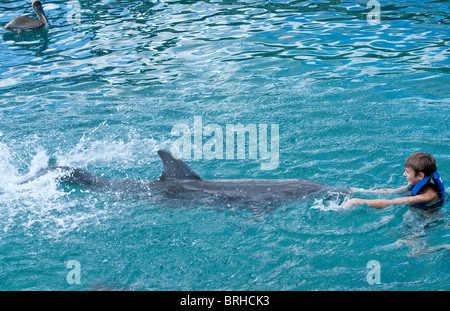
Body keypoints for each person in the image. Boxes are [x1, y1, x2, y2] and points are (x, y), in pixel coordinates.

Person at [344, 152, 446, 210]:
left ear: (420, 175)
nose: (404, 174)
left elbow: (391, 202)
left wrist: (358, 201)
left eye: (407, 172)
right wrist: (359, 191)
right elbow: (389, 192)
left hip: (429, 220)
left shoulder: (428, 195)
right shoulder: (415, 185)